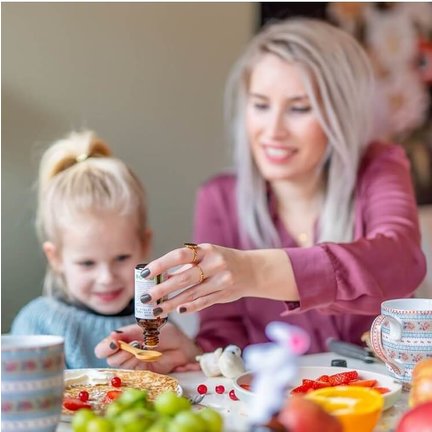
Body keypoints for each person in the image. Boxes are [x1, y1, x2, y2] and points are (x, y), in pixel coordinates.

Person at [95, 18, 426, 373]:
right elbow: (225, 336)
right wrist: (194, 351)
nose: (273, 130)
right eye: (261, 104)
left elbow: (400, 261)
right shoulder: (219, 199)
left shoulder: (379, 167)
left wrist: (251, 270)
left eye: (299, 108)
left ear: (340, 114)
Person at [11, 130, 151, 369]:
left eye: (121, 258)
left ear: (145, 246)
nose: (107, 278)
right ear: (55, 258)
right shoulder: (38, 326)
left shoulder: (156, 323)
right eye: (87, 263)